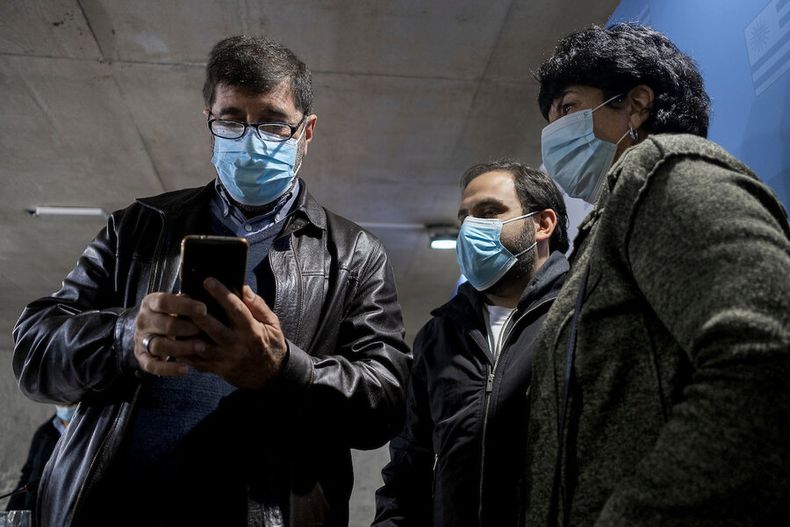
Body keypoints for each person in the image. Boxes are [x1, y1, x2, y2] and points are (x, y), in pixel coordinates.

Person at [12, 35, 411, 527]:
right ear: (210, 124)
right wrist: (125, 336)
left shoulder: (354, 254)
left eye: (271, 122)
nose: (250, 137)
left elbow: (387, 402)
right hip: (115, 508)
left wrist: (282, 370)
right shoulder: (140, 226)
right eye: (232, 119)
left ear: (306, 132)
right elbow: (34, 350)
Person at [524, 23, 790, 526]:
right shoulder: (607, 223)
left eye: (568, 107)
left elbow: (767, 356)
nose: (552, 133)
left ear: (637, 104)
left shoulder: (664, 170)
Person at [373, 161, 570, 526]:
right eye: (465, 218)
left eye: (489, 212)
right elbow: (407, 467)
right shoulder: (440, 335)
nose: (470, 228)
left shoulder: (577, 319)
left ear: (543, 224)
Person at [6, 405, 74, 518]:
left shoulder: (93, 434)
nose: (66, 405)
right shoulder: (44, 433)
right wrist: (10, 516)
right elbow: (27, 476)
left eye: (71, 401)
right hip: (38, 515)